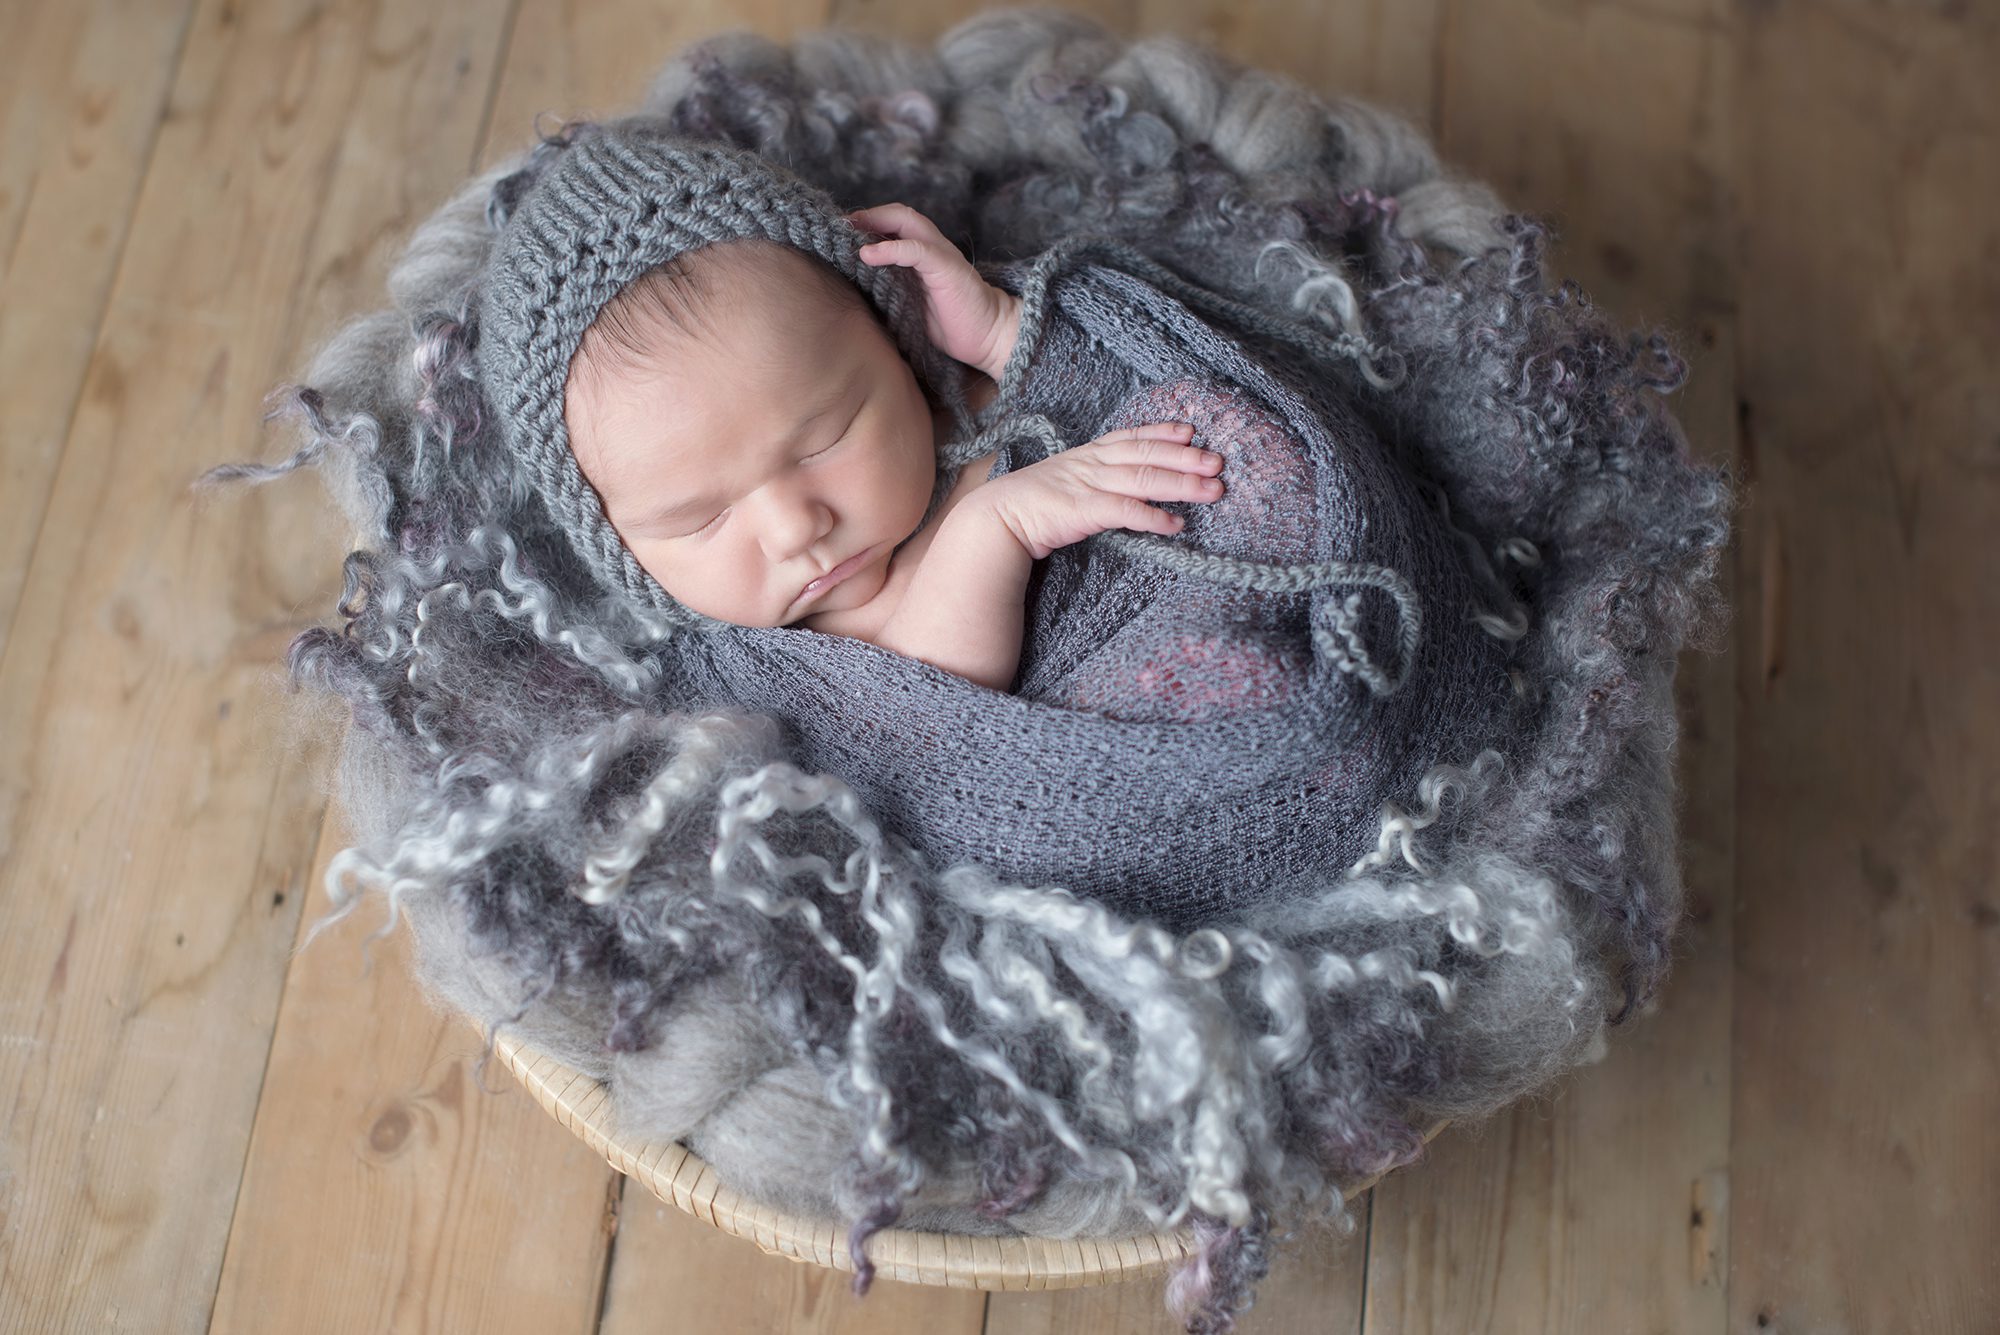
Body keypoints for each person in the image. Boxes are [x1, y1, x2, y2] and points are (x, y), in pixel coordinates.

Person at [559, 202, 1229, 692]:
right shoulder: (773, 667)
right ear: (616, 552)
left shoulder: (967, 401)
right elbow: (924, 728)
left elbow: (1163, 386)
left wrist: (1002, 333)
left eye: (825, 439)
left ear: (896, 340)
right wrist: (994, 529)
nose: (796, 528)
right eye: (699, 519)